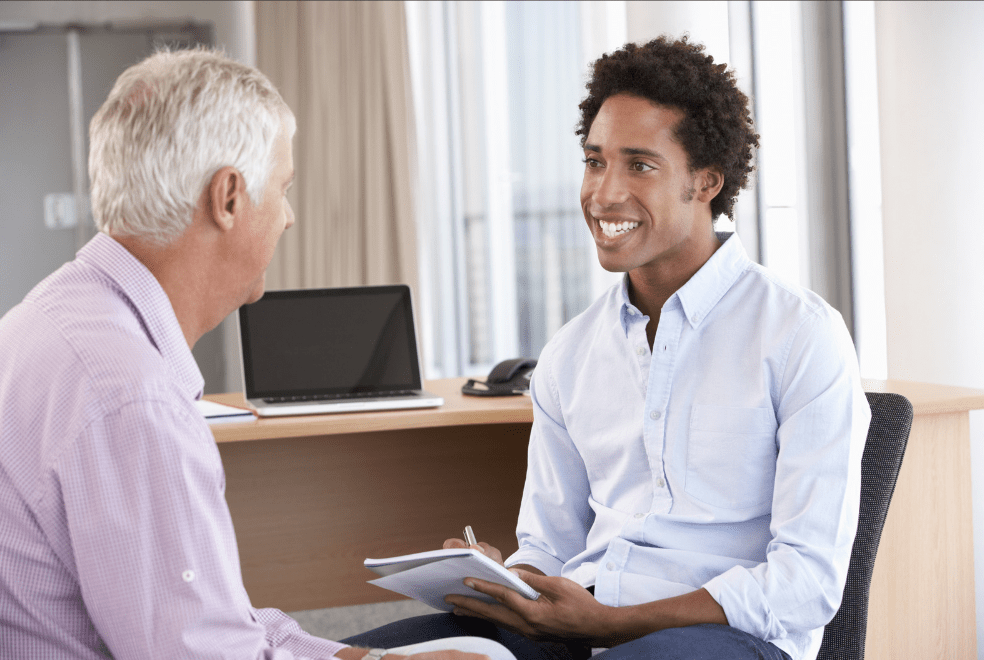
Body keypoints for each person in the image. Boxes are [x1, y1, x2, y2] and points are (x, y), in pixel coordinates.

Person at [340, 35, 870, 660]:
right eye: (595, 161)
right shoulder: (571, 352)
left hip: (731, 639)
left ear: (705, 181)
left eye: (639, 165)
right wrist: (508, 579)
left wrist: (615, 625)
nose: (604, 193)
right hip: (578, 625)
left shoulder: (801, 335)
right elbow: (551, 546)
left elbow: (806, 584)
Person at [0, 48, 512, 660]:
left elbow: (218, 623)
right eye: (284, 188)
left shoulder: (51, 318)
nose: (289, 218)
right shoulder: (133, 398)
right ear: (229, 197)